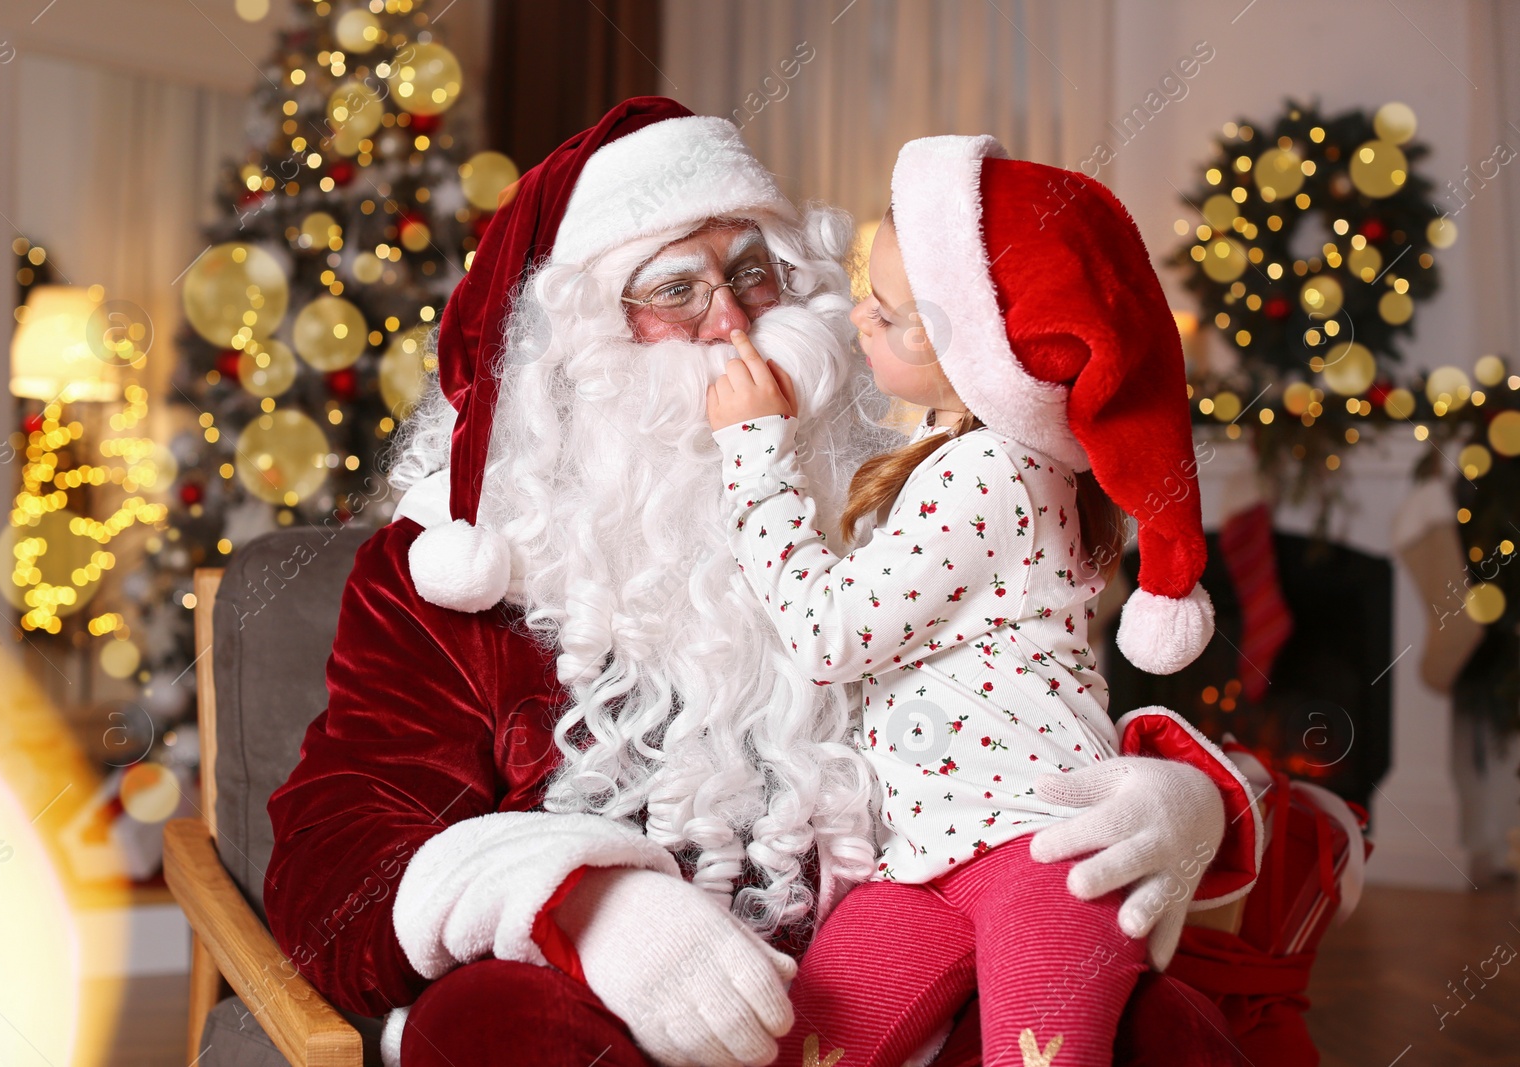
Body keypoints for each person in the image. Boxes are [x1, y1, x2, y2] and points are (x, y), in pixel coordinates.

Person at [263, 100, 1260, 1067]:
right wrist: (584, 902)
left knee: (1152, 1024)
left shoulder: (888, 493)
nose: (732, 323)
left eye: (751, 273)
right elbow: (332, 869)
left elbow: (1020, 695)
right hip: (602, 1021)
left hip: (894, 997)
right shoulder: (446, 571)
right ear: (575, 347)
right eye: (675, 291)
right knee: (493, 1020)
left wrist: (1178, 802)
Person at [704, 134, 1261, 1067]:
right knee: (807, 1048)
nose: (859, 321)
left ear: (998, 350)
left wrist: (754, 454)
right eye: (866, 296)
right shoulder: (959, 449)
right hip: (923, 863)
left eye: (896, 315)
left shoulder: (993, 470)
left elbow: (828, 632)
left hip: (1042, 855)